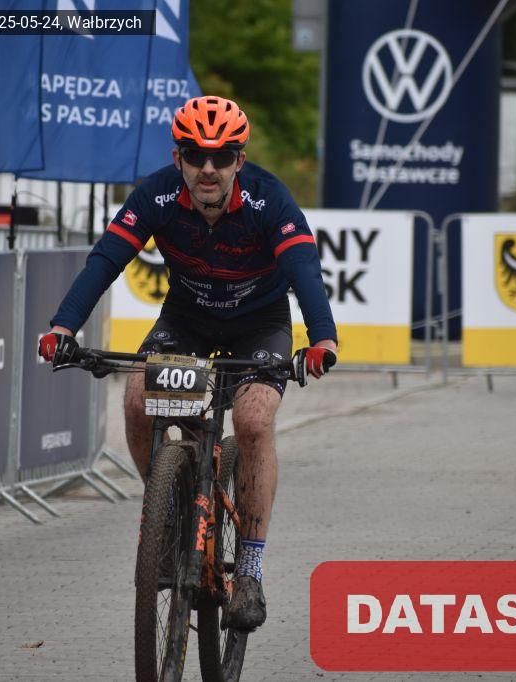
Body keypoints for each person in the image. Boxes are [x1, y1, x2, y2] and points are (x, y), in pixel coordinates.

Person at [38, 95, 338, 630]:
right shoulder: (155, 195)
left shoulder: (270, 199)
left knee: (252, 420)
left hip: (259, 324)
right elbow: (106, 260)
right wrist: (63, 328)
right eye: (195, 155)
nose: (208, 168)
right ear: (178, 158)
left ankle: (250, 571)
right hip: (187, 318)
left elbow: (303, 270)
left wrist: (323, 339)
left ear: (240, 160)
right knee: (137, 399)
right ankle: (169, 514)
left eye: (221, 157)